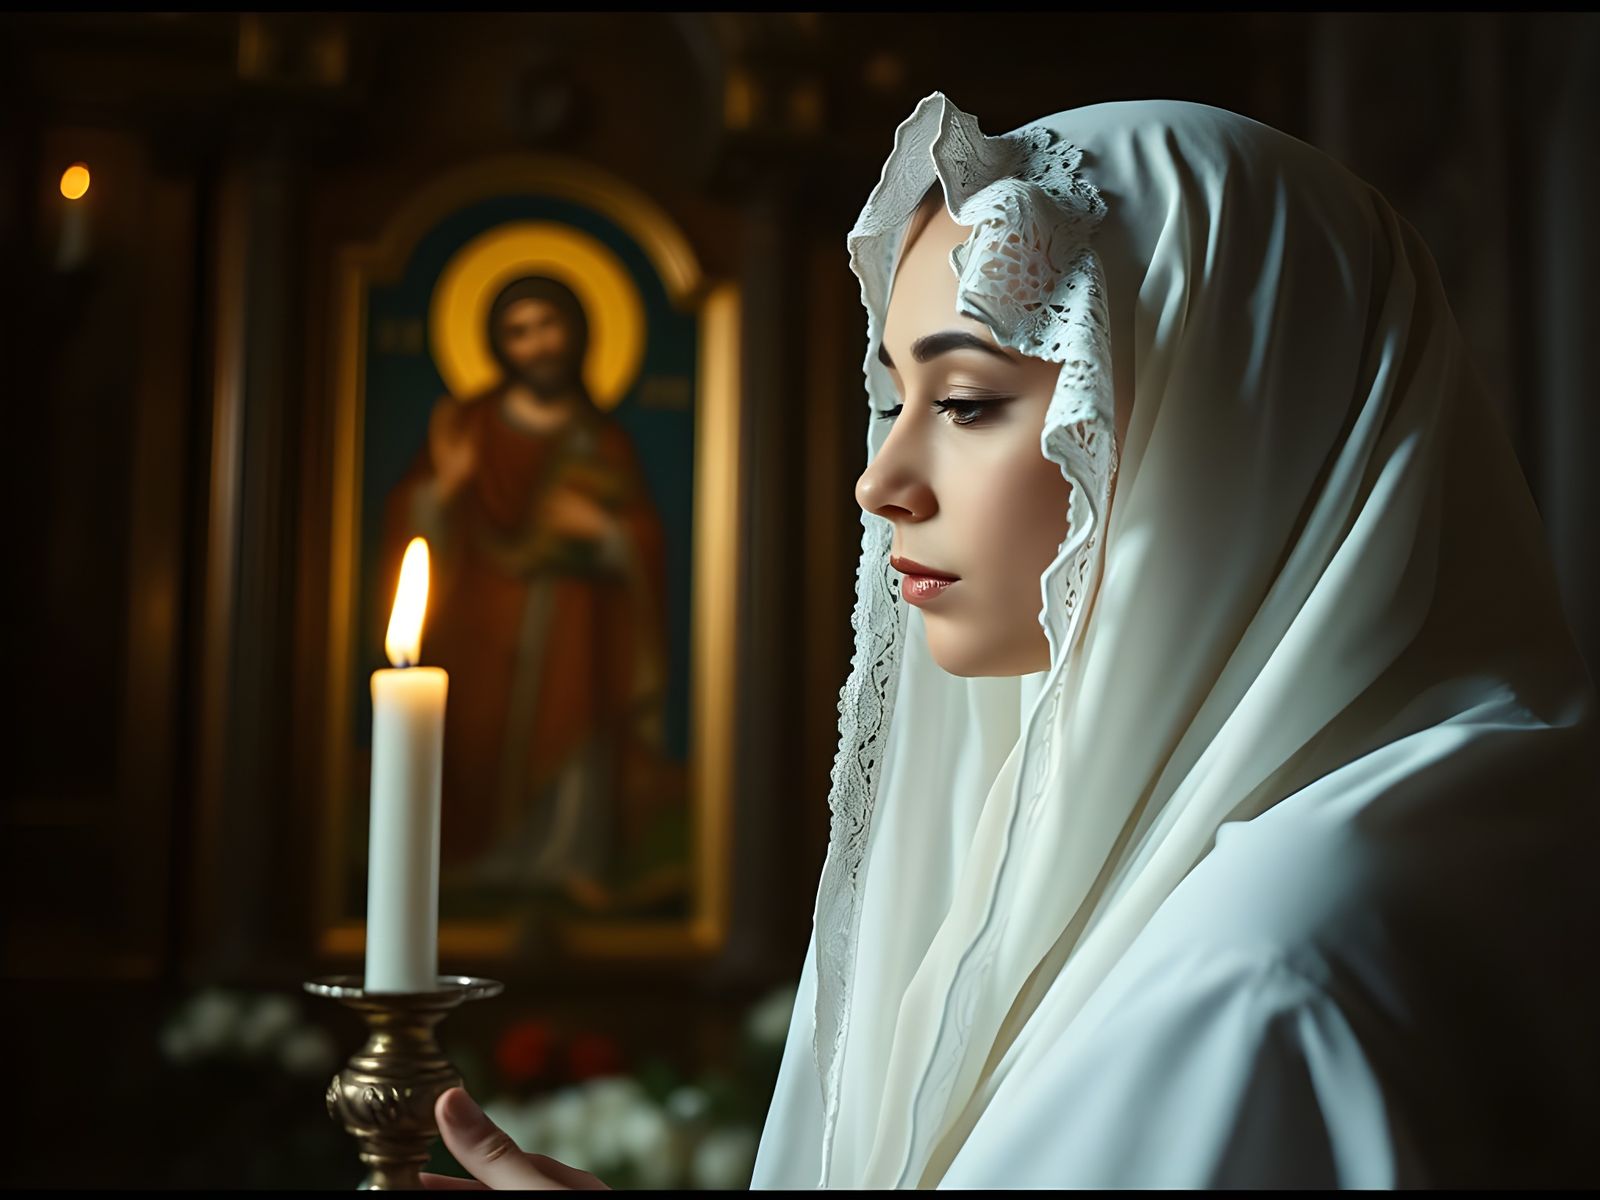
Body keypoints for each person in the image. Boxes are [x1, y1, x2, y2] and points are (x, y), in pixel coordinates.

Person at [421, 93, 1599, 1189]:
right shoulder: (1425, 809)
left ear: (1232, 422)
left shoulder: (1266, 973)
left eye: (970, 401)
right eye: (896, 399)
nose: (879, 481)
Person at [380, 274, 671, 907]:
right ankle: (481, 858)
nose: (537, 345)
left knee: (576, 730)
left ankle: (570, 861)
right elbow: (414, 521)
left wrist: (605, 532)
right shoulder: (470, 427)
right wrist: (446, 489)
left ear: (576, 333)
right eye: (519, 332)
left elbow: (643, 537)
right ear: (497, 344)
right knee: (478, 736)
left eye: (549, 326)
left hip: (576, 619)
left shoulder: (602, 438)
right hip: (482, 621)